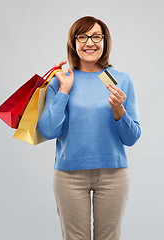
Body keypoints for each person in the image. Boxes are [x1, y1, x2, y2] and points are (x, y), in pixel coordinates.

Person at [37, 16, 141, 240]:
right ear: (73, 42)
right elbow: (48, 131)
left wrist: (119, 110)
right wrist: (64, 91)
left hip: (113, 175)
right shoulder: (60, 80)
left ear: (105, 42)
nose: (89, 43)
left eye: (96, 36)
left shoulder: (121, 80)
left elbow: (131, 138)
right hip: (69, 175)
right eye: (82, 37)